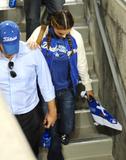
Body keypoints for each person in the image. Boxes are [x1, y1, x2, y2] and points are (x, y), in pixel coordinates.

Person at [27, 9, 94, 160]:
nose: (64, 35)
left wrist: (88, 86)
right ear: (52, 24)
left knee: (68, 122)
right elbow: (26, 56)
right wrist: (30, 47)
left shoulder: (76, 36)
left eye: (67, 32)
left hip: (67, 88)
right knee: (49, 119)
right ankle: (52, 138)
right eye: (60, 32)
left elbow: (81, 64)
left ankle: (64, 133)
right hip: (46, 89)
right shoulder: (40, 32)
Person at [0, 20, 57, 158]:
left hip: (29, 115)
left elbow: (46, 82)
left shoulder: (32, 52)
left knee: (30, 151)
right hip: (3, 117)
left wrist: (52, 110)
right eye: (7, 48)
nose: (11, 53)